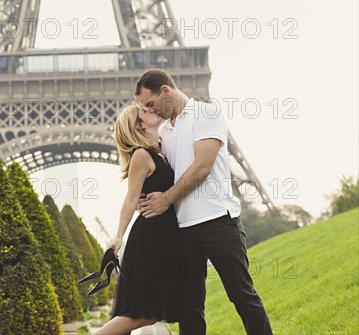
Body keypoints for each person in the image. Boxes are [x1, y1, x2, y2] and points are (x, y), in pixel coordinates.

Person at [135, 69, 273, 335]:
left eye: (150, 104)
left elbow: (202, 167)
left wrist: (165, 199)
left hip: (217, 221)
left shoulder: (206, 114)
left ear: (165, 91)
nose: (150, 110)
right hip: (183, 228)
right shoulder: (163, 130)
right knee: (189, 307)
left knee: (241, 295)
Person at [94, 104, 182, 335]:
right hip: (151, 238)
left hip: (163, 235)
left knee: (148, 312)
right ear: (139, 124)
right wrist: (118, 236)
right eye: (143, 111)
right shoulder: (142, 155)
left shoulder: (162, 149)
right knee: (141, 313)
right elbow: (131, 199)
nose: (150, 109)